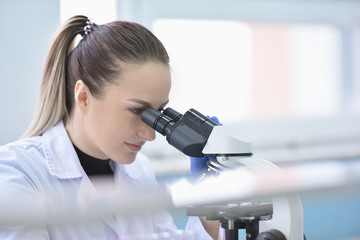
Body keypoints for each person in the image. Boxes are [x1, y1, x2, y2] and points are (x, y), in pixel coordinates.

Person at [0, 15, 222, 239]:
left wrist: (209, 200)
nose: (150, 134)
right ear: (84, 97)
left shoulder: (139, 170)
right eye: (137, 110)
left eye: (158, 113)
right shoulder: (18, 172)